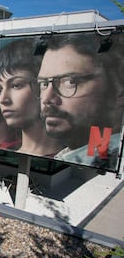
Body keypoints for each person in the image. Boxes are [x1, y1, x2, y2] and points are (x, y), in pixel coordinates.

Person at [37, 33, 124, 169]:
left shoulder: (106, 160)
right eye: (43, 84)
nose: (47, 99)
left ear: (119, 91)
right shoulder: (71, 155)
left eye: (70, 81)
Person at [0, 38, 64, 156]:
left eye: (16, 85)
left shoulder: (69, 158)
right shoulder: (2, 150)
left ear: (43, 85)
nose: (3, 99)